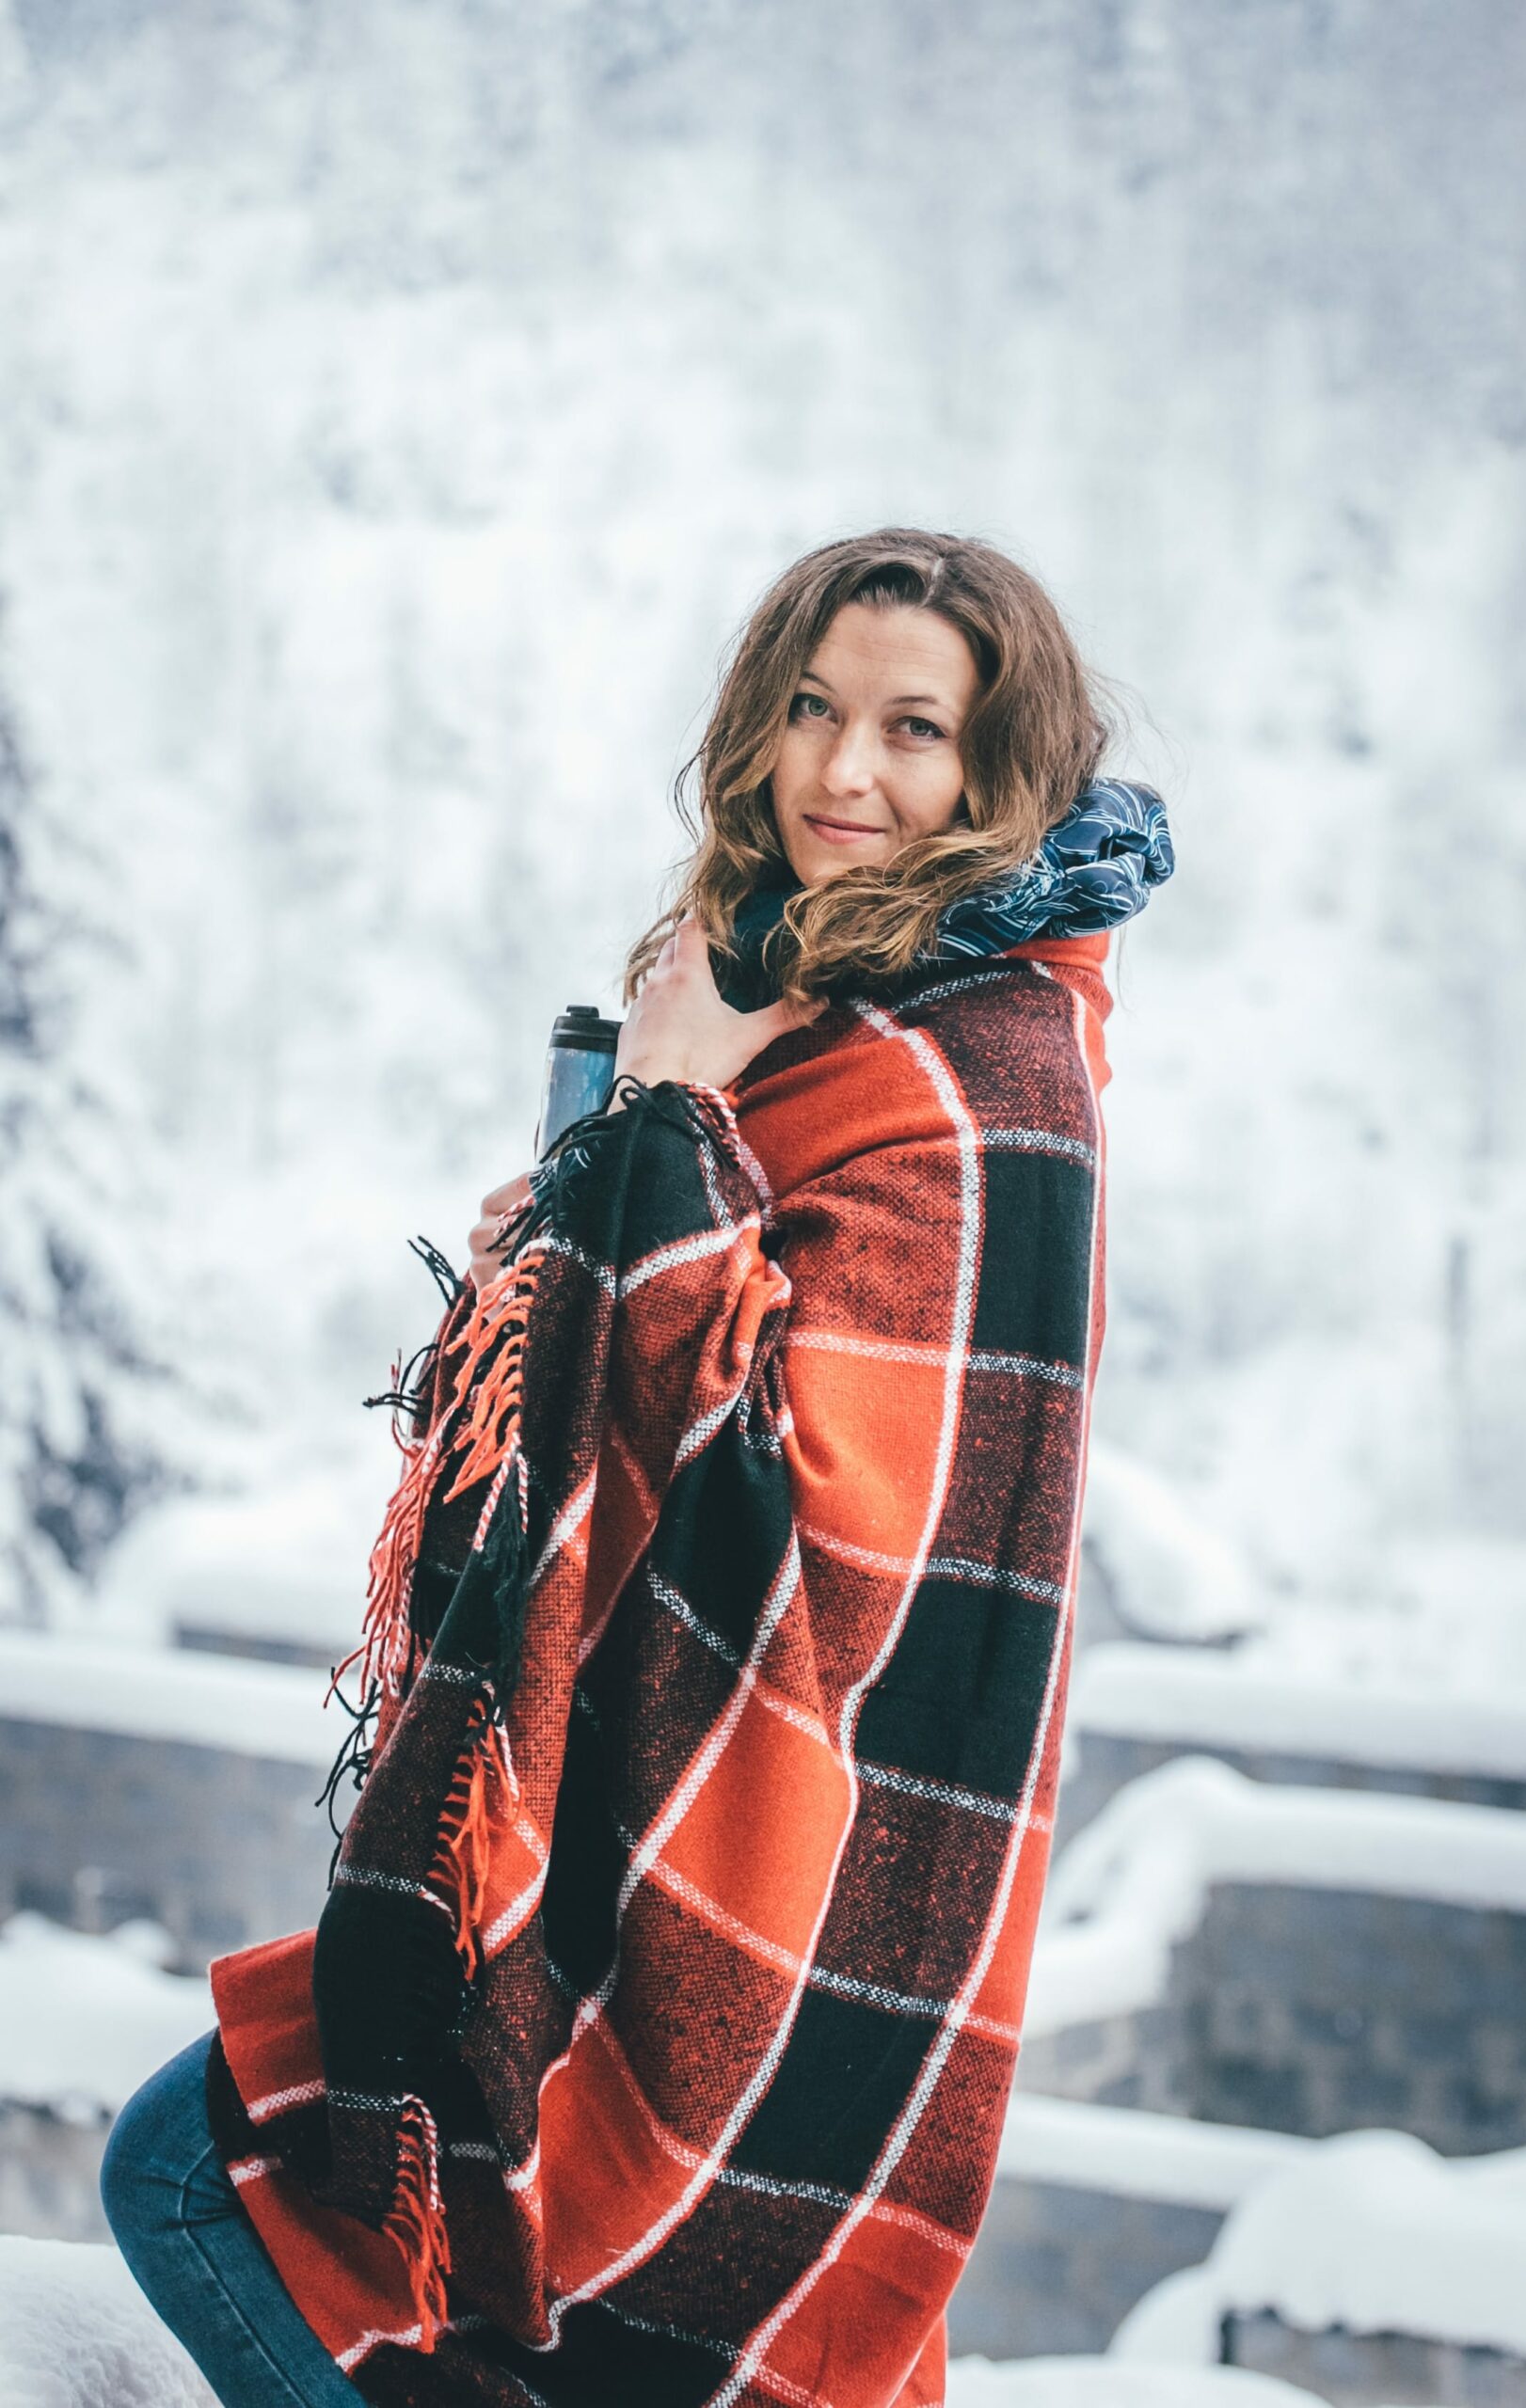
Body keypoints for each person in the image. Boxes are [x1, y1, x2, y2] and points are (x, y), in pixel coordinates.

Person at [103, 528, 1173, 2408]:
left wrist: (666, 1116)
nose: (842, 774)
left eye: (911, 730)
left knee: (197, 2167)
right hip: (652, 1853)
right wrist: (646, 1122)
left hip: (763, 1921)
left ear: (995, 768)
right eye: (808, 710)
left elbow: (814, 1528)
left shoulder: (979, 1079)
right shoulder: (814, 1004)